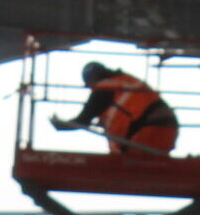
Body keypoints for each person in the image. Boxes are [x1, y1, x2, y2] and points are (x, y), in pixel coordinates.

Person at [51, 60, 179, 157]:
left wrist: (61, 125)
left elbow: (83, 120)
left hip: (145, 136)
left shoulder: (104, 89)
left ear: (91, 79)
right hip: (169, 133)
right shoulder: (126, 81)